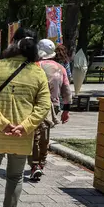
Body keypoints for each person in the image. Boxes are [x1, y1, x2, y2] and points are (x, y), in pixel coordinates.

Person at [0, 27, 51, 207]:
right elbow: (44, 105)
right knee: (15, 176)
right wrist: (26, 125)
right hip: (22, 135)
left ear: (13, 42)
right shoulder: (37, 72)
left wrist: (2, 122)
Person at [30, 40, 72, 181]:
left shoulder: (33, 66)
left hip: (33, 105)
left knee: (33, 136)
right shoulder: (61, 68)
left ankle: (35, 164)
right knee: (45, 135)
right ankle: (41, 163)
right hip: (53, 106)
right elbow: (66, 90)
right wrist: (66, 109)